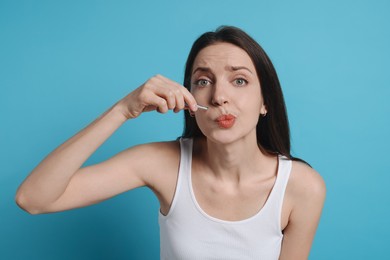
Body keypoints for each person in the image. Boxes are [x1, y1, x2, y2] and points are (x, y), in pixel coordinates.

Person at [16, 26, 326, 259]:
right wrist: (122, 110)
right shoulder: (162, 164)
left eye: (240, 80)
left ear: (265, 101)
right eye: (203, 81)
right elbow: (33, 199)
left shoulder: (302, 187)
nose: (219, 96)